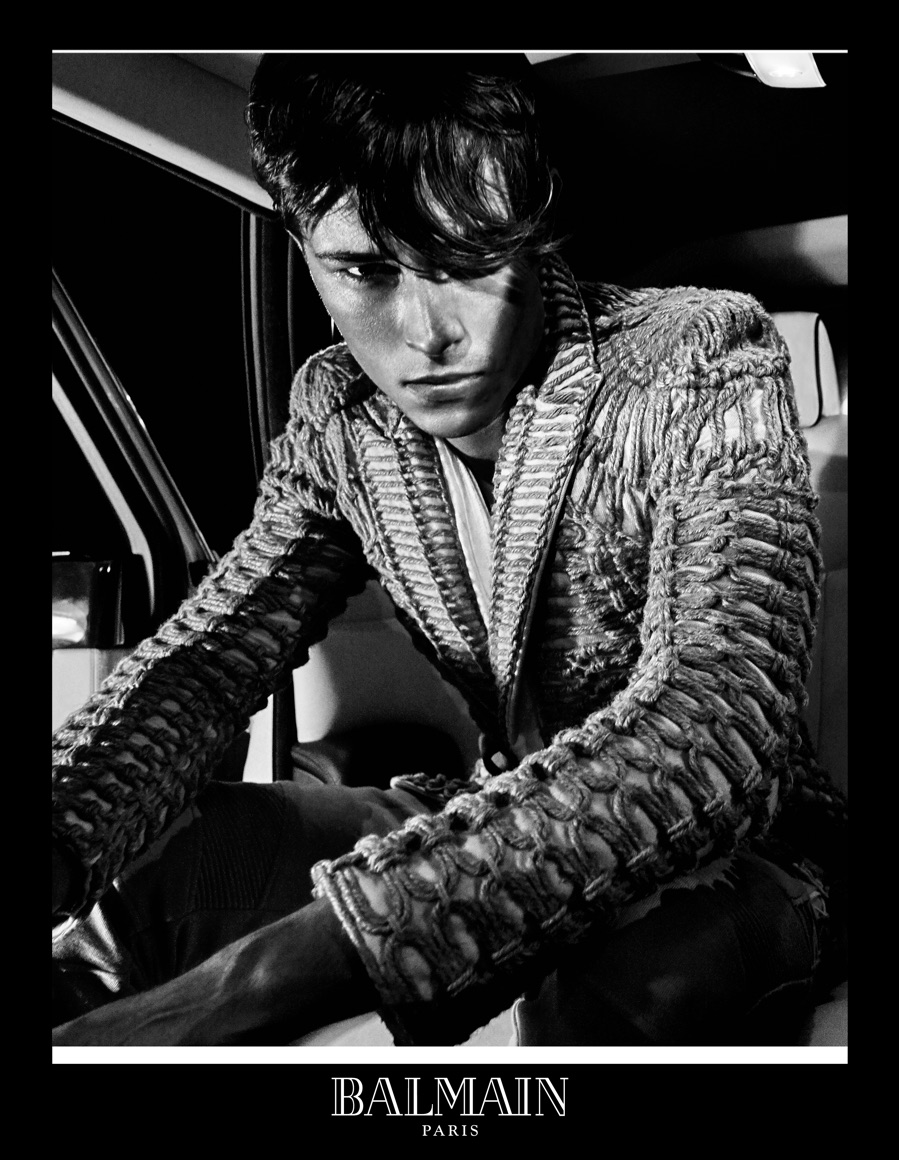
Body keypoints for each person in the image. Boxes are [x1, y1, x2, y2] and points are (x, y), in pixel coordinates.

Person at [52, 52, 847, 1047]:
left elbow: (717, 720)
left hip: (744, 853)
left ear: (530, 223)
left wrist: (259, 978)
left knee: (613, 985)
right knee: (150, 881)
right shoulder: (337, 411)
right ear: (302, 248)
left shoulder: (694, 354)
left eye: (467, 256)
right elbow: (209, 661)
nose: (429, 334)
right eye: (365, 270)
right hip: (482, 808)